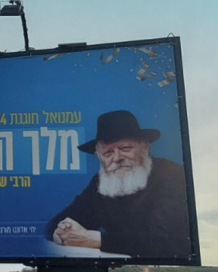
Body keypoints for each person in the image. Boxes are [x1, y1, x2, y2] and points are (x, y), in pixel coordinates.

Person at [46, 109, 192, 258]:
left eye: (125, 148)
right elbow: (59, 222)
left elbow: (168, 242)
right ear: (99, 156)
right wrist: (62, 230)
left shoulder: (172, 175)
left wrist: (96, 240)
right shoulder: (101, 182)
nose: (117, 158)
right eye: (108, 153)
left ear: (145, 146)